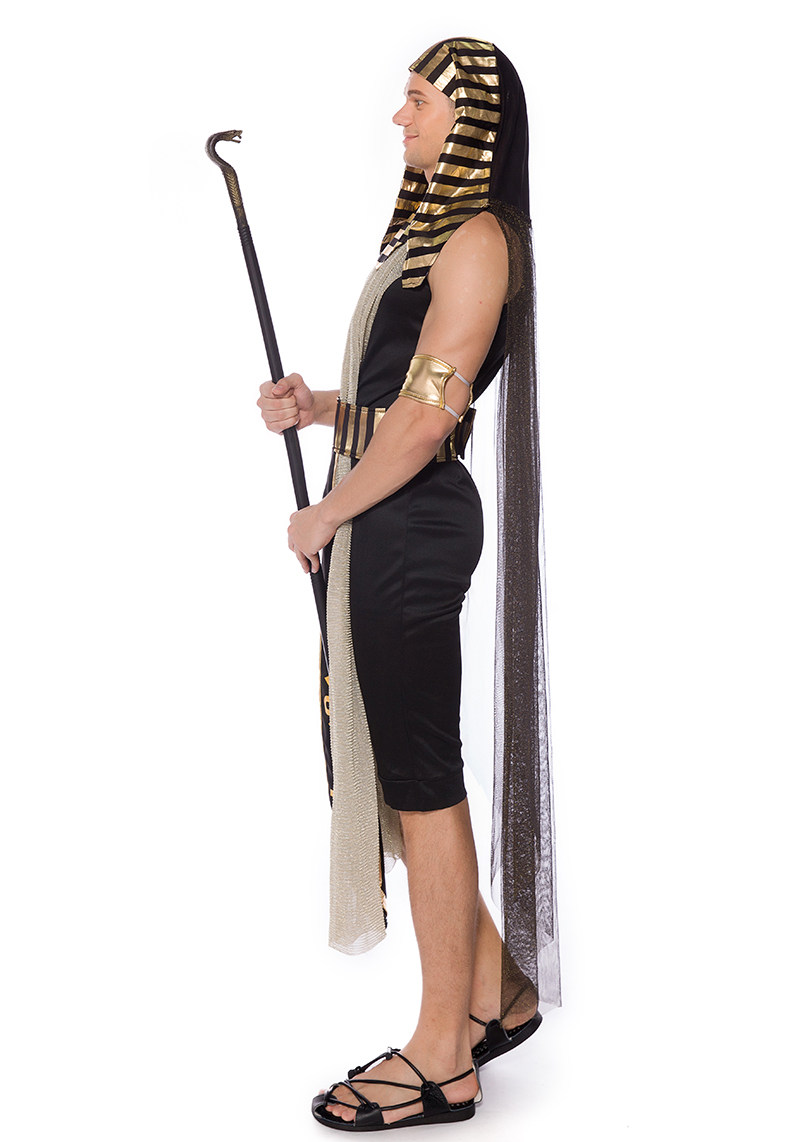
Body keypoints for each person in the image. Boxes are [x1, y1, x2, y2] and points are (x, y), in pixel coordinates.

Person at [257, 38, 561, 1131]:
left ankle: (444, 1057)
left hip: (407, 529)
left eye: (419, 101)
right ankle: (494, 989)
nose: (400, 119)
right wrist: (323, 411)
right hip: (389, 516)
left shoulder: (477, 240)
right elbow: (402, 403)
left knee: (422, 780)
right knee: (403, 771)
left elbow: (431, 424)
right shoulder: (440, 236)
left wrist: (328, 510)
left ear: (469, 119)